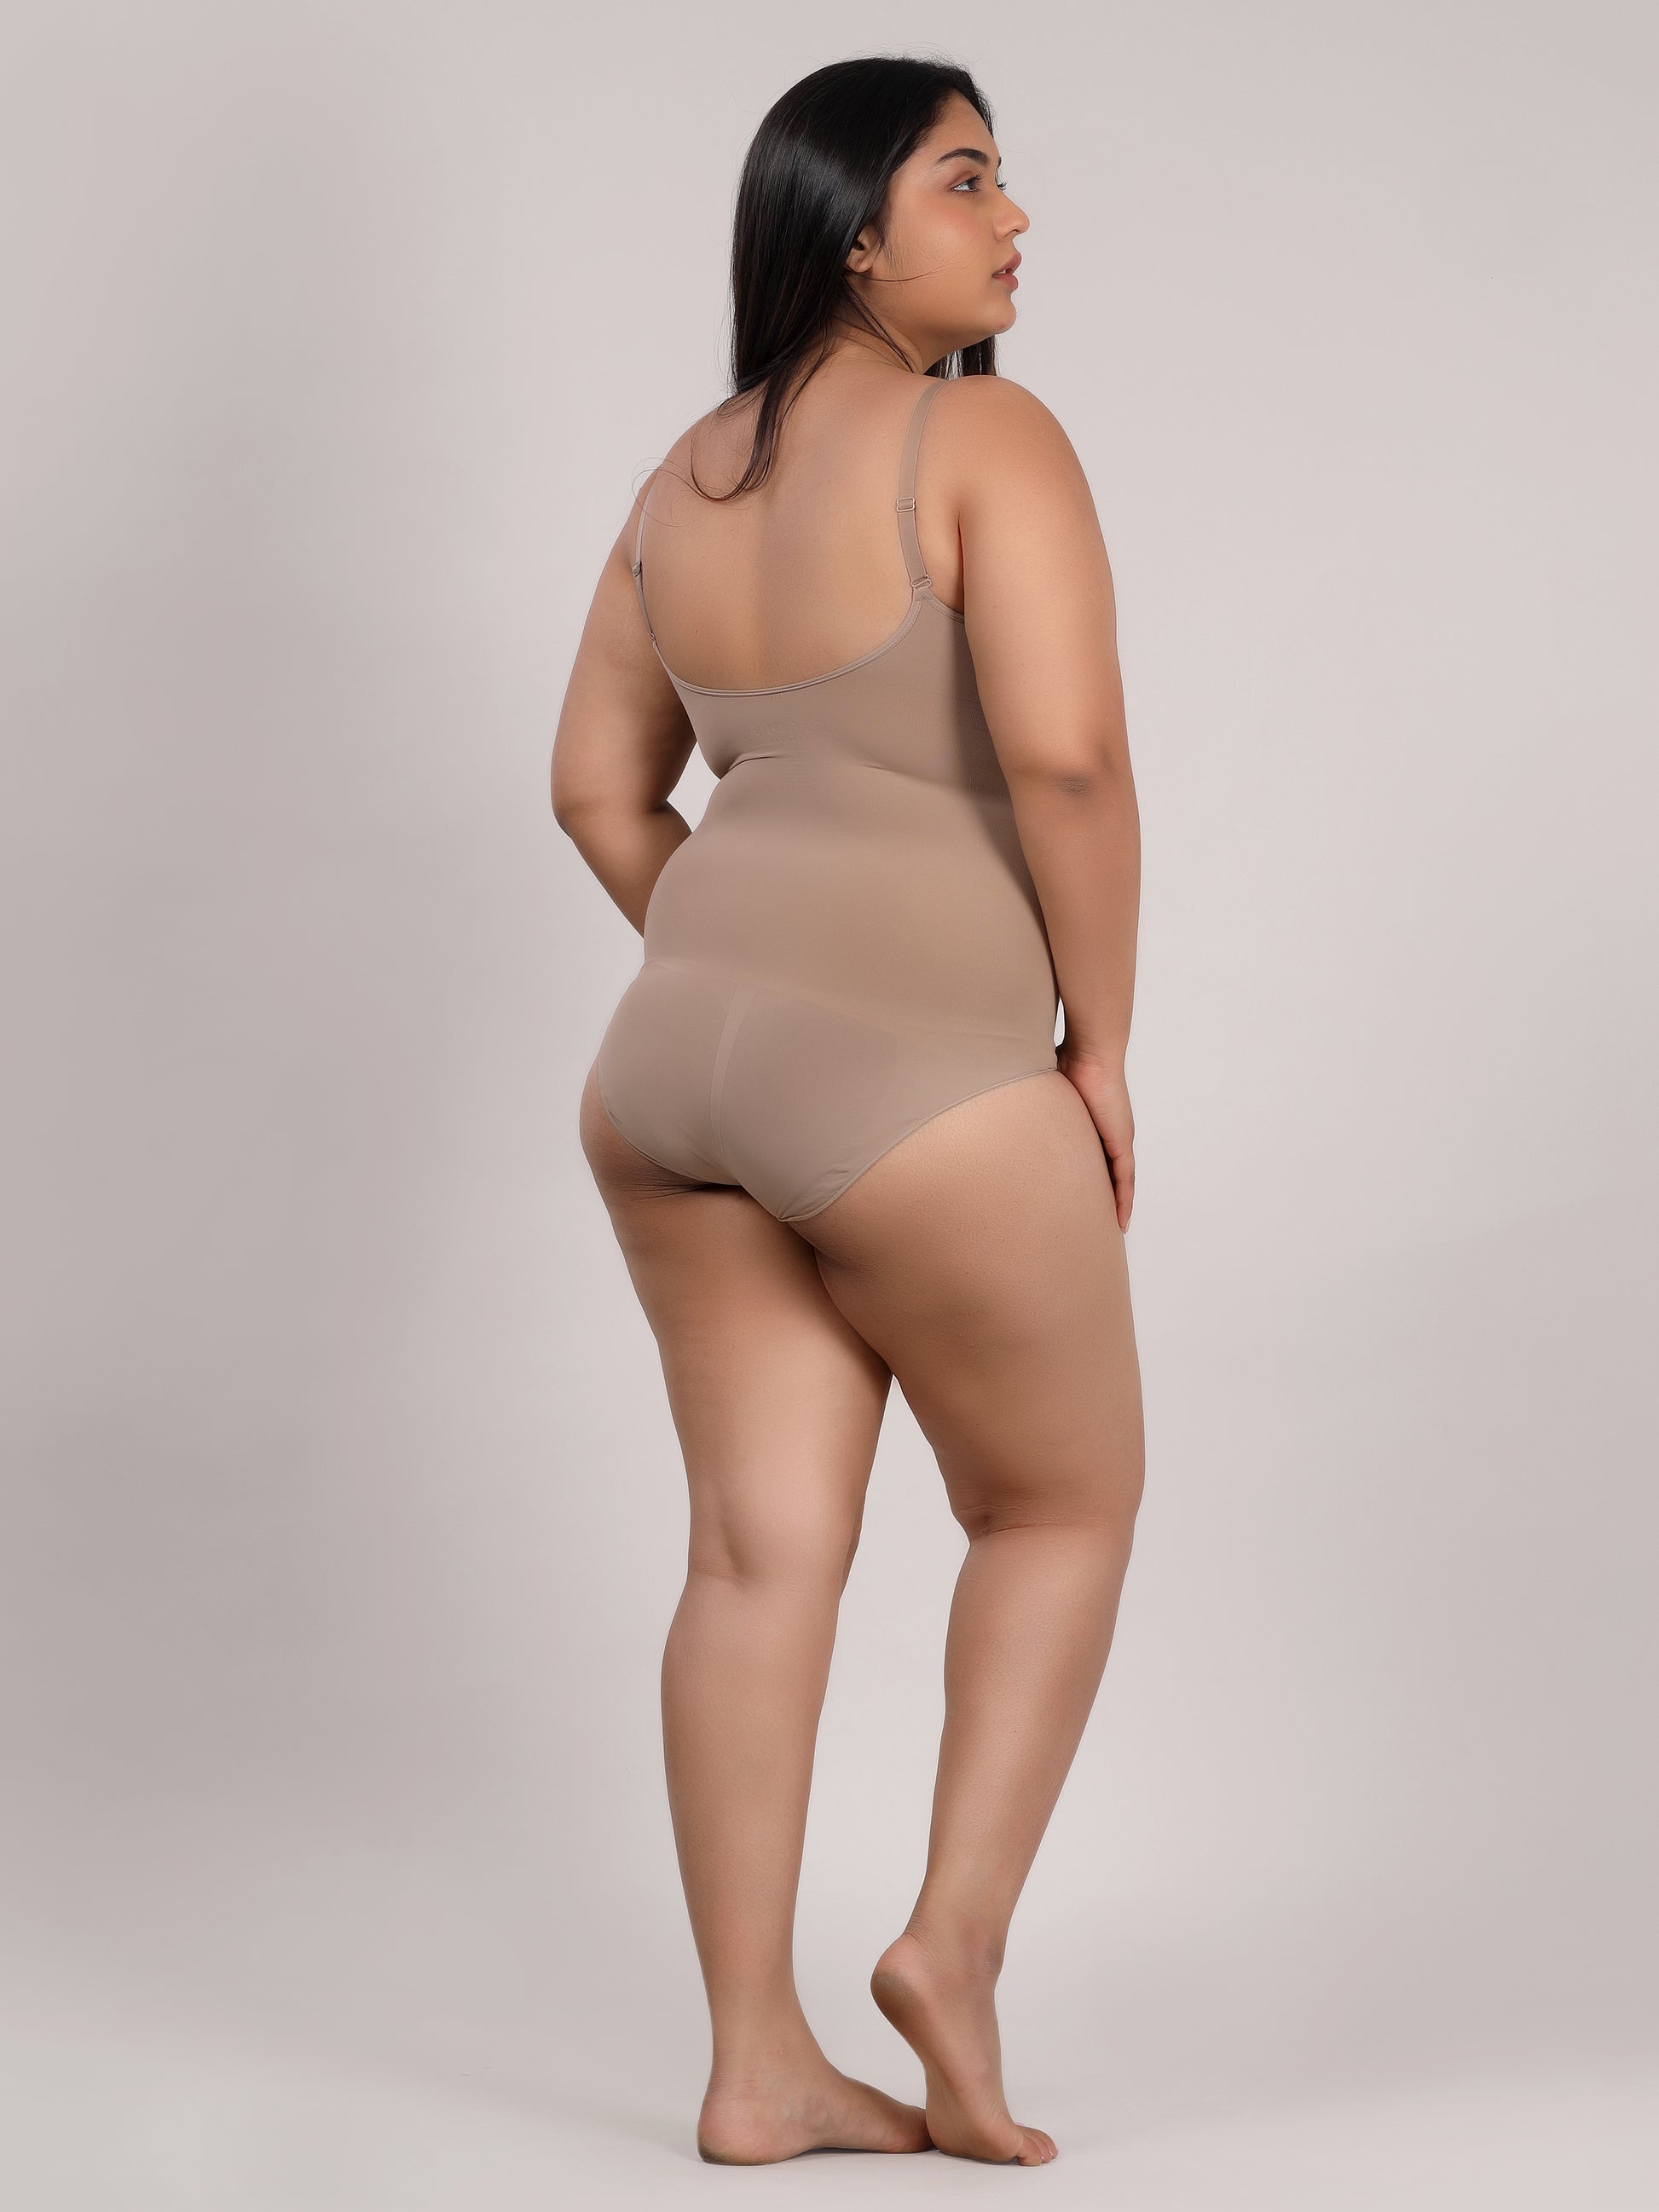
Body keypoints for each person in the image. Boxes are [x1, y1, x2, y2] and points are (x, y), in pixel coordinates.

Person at [552, 54, 1144, 2169]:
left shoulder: (678, 482)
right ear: (854, 234)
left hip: (667, 1073)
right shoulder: (984, 437)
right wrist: (1096, 1045)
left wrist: (734, 967)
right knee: (1057, 1503)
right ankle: (947, 1950)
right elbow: (1066, 761)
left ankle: (754, 2062)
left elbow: (593, 789)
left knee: (753, 1552)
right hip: (921, 1072)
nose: (1013, 219)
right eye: (966, 179)